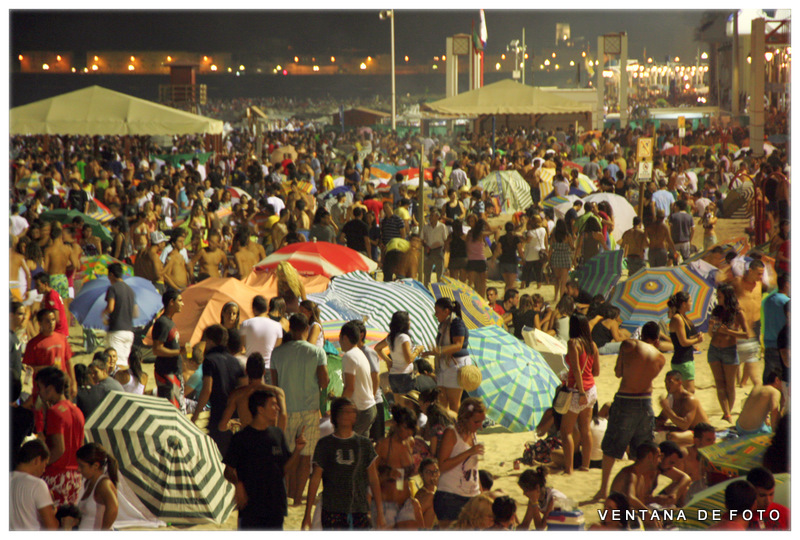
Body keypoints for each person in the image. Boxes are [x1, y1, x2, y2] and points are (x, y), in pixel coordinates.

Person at [594, 322, 666, 501]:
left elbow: (619, 372)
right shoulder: (660, 358)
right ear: (657, 340)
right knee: (642, 451)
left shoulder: (629, 346)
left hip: (626, 400)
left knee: (612, 448)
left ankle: (603, 489)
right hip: (646, 402)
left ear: (642, 336)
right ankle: (640, 490)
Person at [224, 390, 307, 530]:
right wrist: (238, 484)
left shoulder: (277, 434)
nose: (278, 408)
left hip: (275, 506)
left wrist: (298, 450)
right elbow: (228, 471)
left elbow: (285, 470)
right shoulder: (241, 438)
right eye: (273, 405)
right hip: (251, 508)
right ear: (260, 409)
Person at [270, 313, 329, 506]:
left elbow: (275, 384)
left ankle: (287, 494)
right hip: (310, 409)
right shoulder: (317, 352)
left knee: (288, 454)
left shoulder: (277, 353)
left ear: (290, 329)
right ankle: (297, 497)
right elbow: (324, 380)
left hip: (286, 410)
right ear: (306, 329)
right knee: (305, 456)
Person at [302, 397, 386, 530]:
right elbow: (315, 479)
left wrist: (380, 513)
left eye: (351, 411)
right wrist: (307, 514)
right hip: (332, 509)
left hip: (359, 509)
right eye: (344, 411)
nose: (348, 415)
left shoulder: (364, 444)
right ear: (335, 415)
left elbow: (374, 479)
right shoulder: (325, 444)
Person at [191, 325, 247, 456]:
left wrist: (195, 416)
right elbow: (244, 388)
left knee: (217, 458)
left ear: (210, 341)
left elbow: (207, 390)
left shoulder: (210, 361)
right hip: (235, 420)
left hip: (218, 417)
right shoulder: (235, 361)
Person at [433, 398, 485, 529]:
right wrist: (468, 452)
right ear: (465, 418)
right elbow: (442, 465)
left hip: (472, 496)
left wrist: (481, 492)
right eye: (476, 421)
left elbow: (473, 468)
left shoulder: (473, 434)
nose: (480, 425)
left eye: (482, 421)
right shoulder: (451, 433)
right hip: (450, 496)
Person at [37, 366, 85, 506]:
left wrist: (40, 468)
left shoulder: (55, 412)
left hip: (57, 475)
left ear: (50, 389)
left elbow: (58, 449)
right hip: (75, 476)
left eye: (40, 388)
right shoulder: (76, 411)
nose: (39, 393)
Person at [561, 313, 600, 474]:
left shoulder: (573, 343)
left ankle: (569, 468)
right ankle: (585, 465)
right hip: (591, 389)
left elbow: (576, 368)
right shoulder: (592, 345)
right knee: (585, 429)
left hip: (579, 391)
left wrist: (581, 391)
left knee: (566, 431)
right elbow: (596, 371)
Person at [707, 283, 748, 423]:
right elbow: (711, 334)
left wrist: (729, 332)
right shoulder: (716, 311)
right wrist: (711, 328)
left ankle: (727, 413)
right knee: (719, 384)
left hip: (729, 351)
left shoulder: (737, 312)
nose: (717, 298)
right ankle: (727, 414)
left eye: (720, 296)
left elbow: (746, 334)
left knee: (730, 386)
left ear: (727, 296)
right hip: (714, 349)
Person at [426, 298, 471, 413]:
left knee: (453, 403)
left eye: (437, 311)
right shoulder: (443, 325)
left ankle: (457, 429)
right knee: (441, 402)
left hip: (455, 365)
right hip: (444, 365)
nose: (435, 315)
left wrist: (438, 351)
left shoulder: (456, 323)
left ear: (446, 311)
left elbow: (458, 345)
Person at [608, 442, 663, 529]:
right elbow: (630, 498)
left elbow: (639, 504)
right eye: (658, 456)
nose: (660, 460)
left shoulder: (640, 476)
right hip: (617, 521)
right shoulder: (631, 474)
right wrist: (648, 512)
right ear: (650, 456)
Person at [375, 311, 424, 403]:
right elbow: (409, 359)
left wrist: (388, 361)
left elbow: (377, 348)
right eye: (408, 320)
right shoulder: (404, 338)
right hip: (405, 376)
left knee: (399, 405)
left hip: (394, 375)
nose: (410, 322)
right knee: (407, 405)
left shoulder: (391, 337)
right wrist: (418, 349)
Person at [339, 321, 377, 437]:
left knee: (346, 442)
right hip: (369, 408)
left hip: (361, 411)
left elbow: (349, 388)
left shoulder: (349, 356)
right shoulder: (359, 354)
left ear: (344, 338)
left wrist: (338, 409)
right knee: (361, 448)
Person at [151, 290, 187, 412]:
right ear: (171, 302)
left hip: (174, 371)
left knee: (177, 408)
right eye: (180, 301)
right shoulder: (162, 323)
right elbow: (157, 349)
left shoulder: (170, 322)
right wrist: (179, 352)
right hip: (167, 373)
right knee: (170, 409)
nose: (183, 304)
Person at [10, 439, 58, 531]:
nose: (44, 470)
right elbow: (51, 527)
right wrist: (53, 510)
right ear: (37, 460)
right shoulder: (37, 484)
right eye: (44, 465)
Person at [732, 259, 765, 388]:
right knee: (737, 354)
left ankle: (743, 381)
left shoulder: (759, 284)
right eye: (758, 273)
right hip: (741, 323)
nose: (760, 277)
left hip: (755, 323)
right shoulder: (738, 282)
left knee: (751, 354)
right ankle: (737, 379)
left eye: (762, 274)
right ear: (750, 271)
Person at [655, 371, 710, 446]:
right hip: (686, 431)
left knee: (673, 437)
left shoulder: (690, 399)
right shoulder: (671, 397)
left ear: (679, 382)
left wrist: (667, 409)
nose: (667, 385)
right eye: (665, 382)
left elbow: (684, 425)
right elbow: (662, 418)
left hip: (701, 433)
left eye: (670, 382)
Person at [75, 443, 119, 530]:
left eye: (82, 466)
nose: (78, 469)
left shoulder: (104, 484)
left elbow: (113, 509)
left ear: (95, 466)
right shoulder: (89, 482)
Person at [240, 295, 284, 384]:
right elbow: (278, 348)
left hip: (250, 368)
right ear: (267, 308)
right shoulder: (277, 325)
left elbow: (242, 344)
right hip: (269, 368)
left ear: (253, 308)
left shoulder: (245, 324)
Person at [376, 405, 418, 494]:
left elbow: (402, 478)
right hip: (386, 498)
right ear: (395, 424)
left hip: (404, 498)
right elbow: (371, 477)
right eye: (405, 428)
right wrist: (388, 475)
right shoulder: (383, 446)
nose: (409, 432)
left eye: (411, 429)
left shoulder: (410, 442)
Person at [667, 292, 703, 392]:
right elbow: (683, 342)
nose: (691, 303)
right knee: (690, 391)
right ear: (683, 304)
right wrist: (697, 340)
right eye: (690, 301)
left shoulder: (681, 317)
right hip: (683, 361)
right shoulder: (678, 319)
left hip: (683, 359)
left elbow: (684, 337)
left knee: (681, 391)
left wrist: (696, 336)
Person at [517, 466, 568, 530]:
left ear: (537, 488)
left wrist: (535, 504)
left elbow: (540, 528)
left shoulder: (554, 499)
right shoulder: (534, 499)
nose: (524, 493)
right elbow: (525, 524)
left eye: (526, 490)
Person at [76, 353, 124, 419]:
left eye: (95, 372)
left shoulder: (103, 387)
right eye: (91, 373)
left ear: (104, 371)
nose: (93, 375)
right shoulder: (113, 382)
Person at [646, 441, 692, 508]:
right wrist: (656, 499)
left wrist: (674, 493)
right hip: (644, 505)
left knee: (684, 488)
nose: (671, 466)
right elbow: (638, 498)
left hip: (653, 502)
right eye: (671, 462)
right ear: (661, 457)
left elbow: (686, 478)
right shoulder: (647, 470)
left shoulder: (663, 467)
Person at [736, 371, 783, 436]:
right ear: (777, 380)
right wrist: (774, 433)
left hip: (739, 425)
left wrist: (766, 418)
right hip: (752, 431)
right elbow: (774, 413)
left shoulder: (758, 387)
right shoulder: (775, 392)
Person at [762, 274, 789, 385]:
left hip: (769, 345)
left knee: (769, 380)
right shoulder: (787, 302)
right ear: (787, 285)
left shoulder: (768, 300)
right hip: (782, 346)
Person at [549, 219, 575, 304]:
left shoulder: (553, 236)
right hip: (564, 257)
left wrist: (549, 261)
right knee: (563, 281)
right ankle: (561, 298)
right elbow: (572, 247)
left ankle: (555, 296)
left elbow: (550, 249)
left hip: (556, 257)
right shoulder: (567, 236)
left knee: (557, 279)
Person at [421, 208, 448, 285]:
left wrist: (444, 251)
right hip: (428, 251)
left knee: (440, 274)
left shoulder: (442, 227)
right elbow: (422, 239)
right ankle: (426, 289)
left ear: (437, 217)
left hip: (439, 250)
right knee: (427, 273)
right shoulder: (425, 227)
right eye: (430, 216)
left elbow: (445, 240)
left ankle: (439, 290)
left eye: (432, 216)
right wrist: (425, 246)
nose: (430, 217)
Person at [414, 457, 439, 529]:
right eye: (429, 472)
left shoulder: (434, 492)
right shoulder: (428, 496)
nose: (433, 475)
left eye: (436, 471)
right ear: (422, 474)